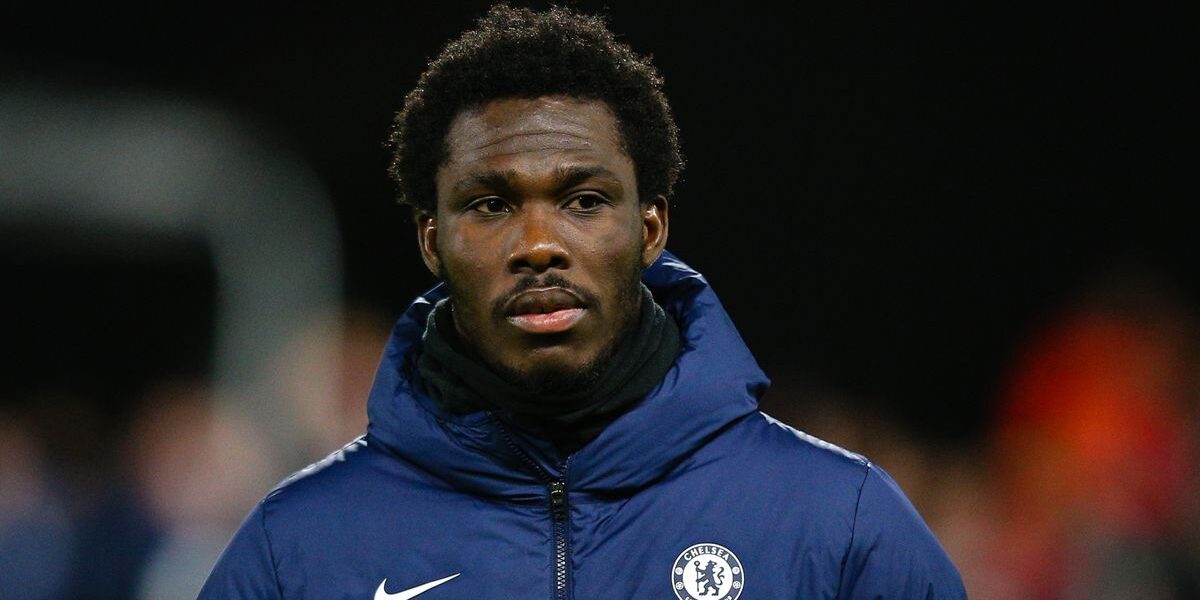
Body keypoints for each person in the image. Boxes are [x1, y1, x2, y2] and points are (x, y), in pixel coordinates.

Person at [201, 5, 965, 599]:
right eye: (491, 205)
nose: (538, 244)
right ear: (432, 241)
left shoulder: (839, 523)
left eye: (584, 201)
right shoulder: (297, 548)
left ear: (651, 228)